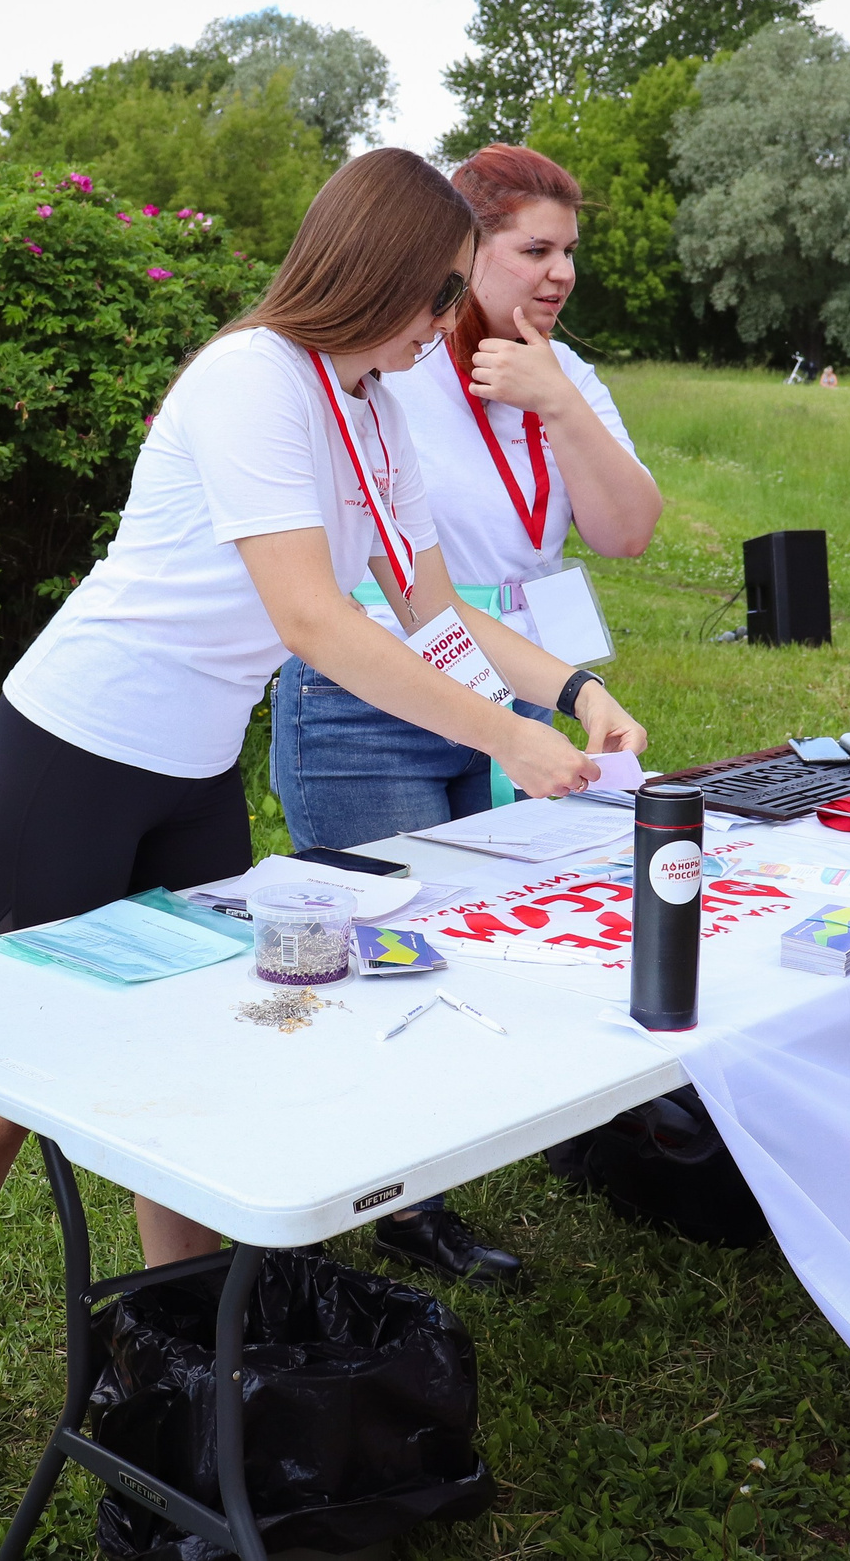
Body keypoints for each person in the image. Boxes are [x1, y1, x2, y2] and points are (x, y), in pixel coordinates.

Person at [0, 147, 649, 1510]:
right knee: (6, 1059)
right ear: (378, 271)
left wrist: (567, 690)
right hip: (75, 749)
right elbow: (314, 620)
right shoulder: (250, 378)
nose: (441, 324)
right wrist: (506, 737)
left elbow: (430, 614)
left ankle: (182, 1342)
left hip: (192, 768)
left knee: (206, 1046)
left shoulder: (376, 400)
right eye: (435, 292)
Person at [270, 143, 661, 1287]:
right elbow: (378, 592)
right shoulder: (382, 369)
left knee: (493, 931)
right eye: (531, 250)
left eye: (569, 254)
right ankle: (394, 1205)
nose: (557, 275)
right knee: (383, 942)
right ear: (461, 247)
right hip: (373, 687)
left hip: (514, 674)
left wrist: (560, 405)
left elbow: (626, 529)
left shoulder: (558, 364)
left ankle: (463, 1158)